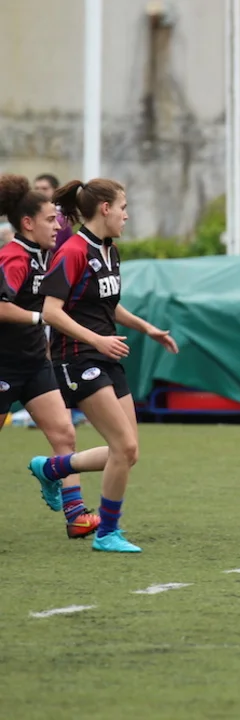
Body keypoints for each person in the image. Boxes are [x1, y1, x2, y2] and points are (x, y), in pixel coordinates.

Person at [32, 177, 180, 553]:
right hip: (77, 358)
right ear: (105, 208)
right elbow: (50, 312)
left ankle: (52, 468)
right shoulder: (72, 251)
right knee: (123, 445)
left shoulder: (110, 250)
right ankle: (107, 533)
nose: (127, 216)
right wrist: (96, 339)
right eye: (124, 208)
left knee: (128, 452)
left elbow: (108, 304)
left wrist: (147, 328)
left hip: (105, 356)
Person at [0, 173, 106, 539]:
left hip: (33, 364)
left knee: (64, 434)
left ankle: (76, 515)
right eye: (50, 220)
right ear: (28, 224)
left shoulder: (44, 254)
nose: (57, 226)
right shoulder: (13, 258)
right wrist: (39, 318)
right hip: (3, 365)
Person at [33, 174, 74, 249]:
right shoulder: (34, 213)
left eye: (44, 189)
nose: (39, 192)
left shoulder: (60, 218)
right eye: (37, 188)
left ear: (56, 190)